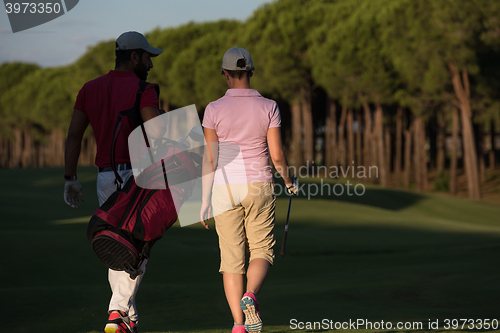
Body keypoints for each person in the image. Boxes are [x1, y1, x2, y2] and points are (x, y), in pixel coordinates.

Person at [64, 31, 163, 333]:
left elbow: (74, 136)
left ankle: (127, 318)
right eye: (147, 58)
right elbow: (157, 132)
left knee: (116, 245)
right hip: (137, 177)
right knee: (138, 245)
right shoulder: (143, 88)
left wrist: (70, 178)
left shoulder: (89, 88)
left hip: (105, 178)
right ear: (134, 57)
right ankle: (117, 312)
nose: (150, 64)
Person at [200, 47, 298, 333]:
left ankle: (238, 326)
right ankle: (250, 295)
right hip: (259, 185)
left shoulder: (213, 109)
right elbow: (277, 155)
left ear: (225, 74)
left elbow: (210, 158)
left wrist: (204, 200)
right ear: (251, 72)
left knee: (231, 260)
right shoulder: (269, 106)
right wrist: (289, 182)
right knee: (261, 252)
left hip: (224, 188)